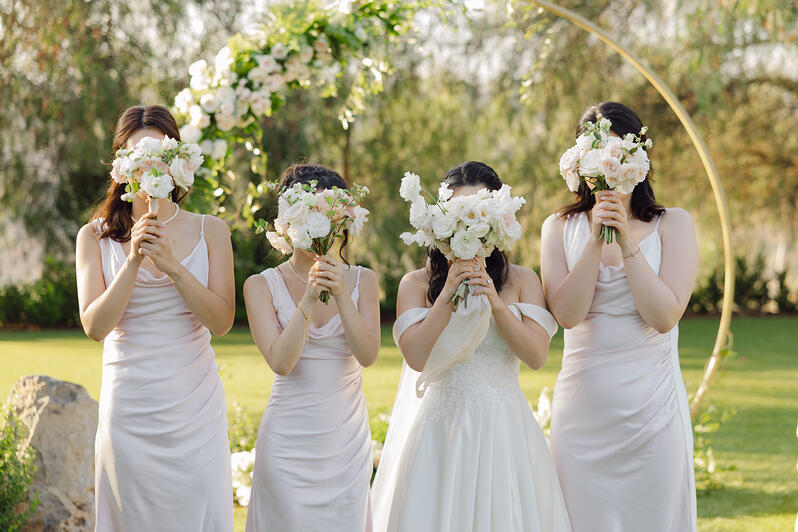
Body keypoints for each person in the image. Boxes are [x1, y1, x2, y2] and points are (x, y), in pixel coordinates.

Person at [371, 161, 571, 532]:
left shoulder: (521, 281)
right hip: (440, 430)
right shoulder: (416, 284)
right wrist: (447, 294)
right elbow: (416, 357)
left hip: (504, 427)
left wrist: (496, 303)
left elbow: (536, 356)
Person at [75, 105, 235, 531]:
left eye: (159, 154)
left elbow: (222, 321)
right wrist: (132, 262)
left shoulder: (211, 230)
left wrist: (173, 267)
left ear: (176, 159)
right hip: (130, 409)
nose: (149, 167)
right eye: (138, 155)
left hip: (195, 409)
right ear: (121, 164)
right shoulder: (94, 237)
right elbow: (95, 326)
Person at [541, 101, 698, 531]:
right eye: (594, 156)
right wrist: (595, 241)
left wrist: (627, 242)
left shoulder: (673, 224)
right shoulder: (558, 228)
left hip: (653, 412)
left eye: (614, 154)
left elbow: (663, 316)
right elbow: (567, 315)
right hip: (583, 414)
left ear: (637, 159)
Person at [243, 164, 380, 532]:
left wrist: (341, 294)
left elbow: (368, 355)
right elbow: (281, 362)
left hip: (345, 443)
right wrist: (306, 301)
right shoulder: (260, 285)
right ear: (287, 221)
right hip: (287, 444)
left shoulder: (363, 280)